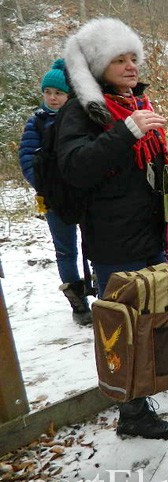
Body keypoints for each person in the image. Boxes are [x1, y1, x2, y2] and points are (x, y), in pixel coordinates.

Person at [59, 17, 168, 439]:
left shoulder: (136, 105)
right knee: (123, 323)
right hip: (112, 238)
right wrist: (127, 133)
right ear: (98, 67)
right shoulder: (84, 111)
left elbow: (136, 170)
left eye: (134, 57)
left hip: (149, 231)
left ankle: (161, 382)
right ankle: (132, 413)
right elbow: (78, 167)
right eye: (119, 59)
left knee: (157, 312)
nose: (131, 66)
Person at [17, 58, 91, 326]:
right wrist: (47, 186)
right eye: (48, 92)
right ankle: (77, 300)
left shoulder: (82, 119)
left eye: (58, 93)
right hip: (52, 198)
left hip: (83, 194)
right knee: (65, 250)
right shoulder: (36, 122)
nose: (52, 98)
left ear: (69, 95)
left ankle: (100, 288)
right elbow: (26, 158)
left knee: (93, 242)